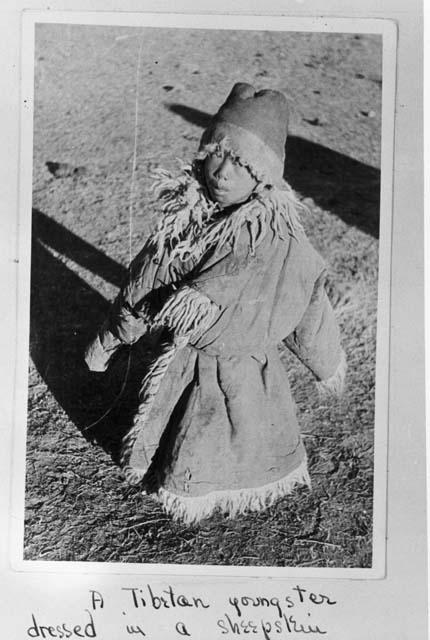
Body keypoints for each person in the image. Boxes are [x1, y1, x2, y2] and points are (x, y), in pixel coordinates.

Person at [85, 83, 346, 524]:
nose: (222, 173)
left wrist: (327, 361)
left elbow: (309, 302)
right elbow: (146, 282)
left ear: (263, 177)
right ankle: (181, 475)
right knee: (190, 426)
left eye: (241, 163)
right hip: (188, 361)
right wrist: (110, 339)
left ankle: (223, 485)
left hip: (248, 367)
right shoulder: (186, 220)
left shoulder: (282, 242)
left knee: (239, 428)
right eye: (217, 154)